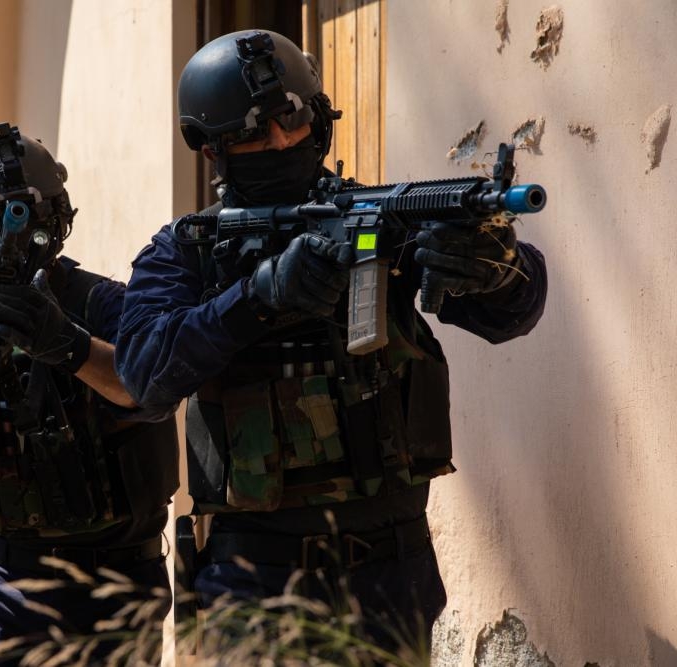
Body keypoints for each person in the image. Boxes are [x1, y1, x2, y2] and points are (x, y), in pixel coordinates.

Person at [115, 30, 547, 653]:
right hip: (257, 585)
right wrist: (258, 296)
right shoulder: (187, 251)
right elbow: (142, 375)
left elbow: (511, 317)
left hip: (392, 576)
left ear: (318, 120)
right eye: (255, 134)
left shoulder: (379, 220)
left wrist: (499, 267)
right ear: (213, 150)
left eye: (293, 121)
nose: (281, 142)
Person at [0, 125, 178, 666]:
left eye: (23, 216)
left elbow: (150, 389)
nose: (11, 238)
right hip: (8, 587)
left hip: (118, 583)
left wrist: (68, 345)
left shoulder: (110, 307)